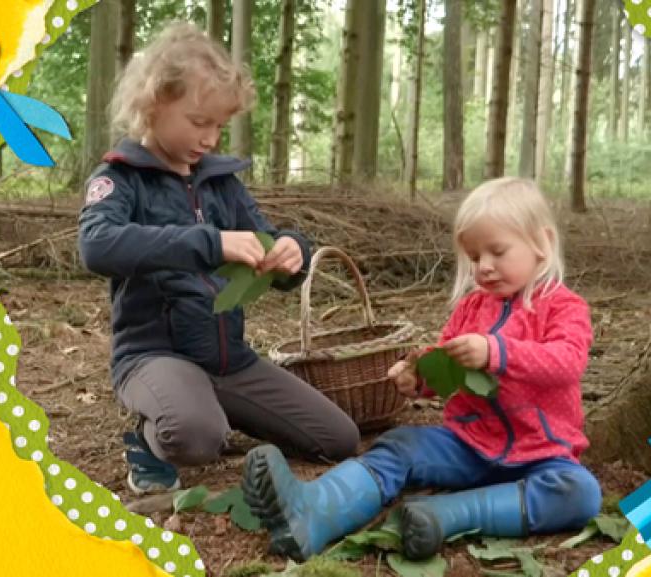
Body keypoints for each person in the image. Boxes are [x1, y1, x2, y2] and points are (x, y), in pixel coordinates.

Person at [242, 177, 602, 561]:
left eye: (497, 251)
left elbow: (567, 362)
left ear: (542, 243)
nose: (484, 266)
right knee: (401, 445)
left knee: (579, 492)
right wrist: (419, 376)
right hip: (467, 444)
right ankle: (315, 509)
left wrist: (496, 351)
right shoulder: (471, 308)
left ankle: (447, 515)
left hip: (541, 454)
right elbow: (445, 363)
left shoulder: (563, 307)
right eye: (474, 257)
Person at [78, 22, 359, 495]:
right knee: (195, 436)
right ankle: (154, 437)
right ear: (153, 104)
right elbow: (97, 244)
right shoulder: (121, 179)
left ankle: (208, 405)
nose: (210, 138)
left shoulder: (221, 183)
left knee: (338, 438)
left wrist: (291, 251)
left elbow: (265, 238)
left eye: (219, 126)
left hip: (229, 359)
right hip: (153, 356)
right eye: (198, 122)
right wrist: (211, 243)